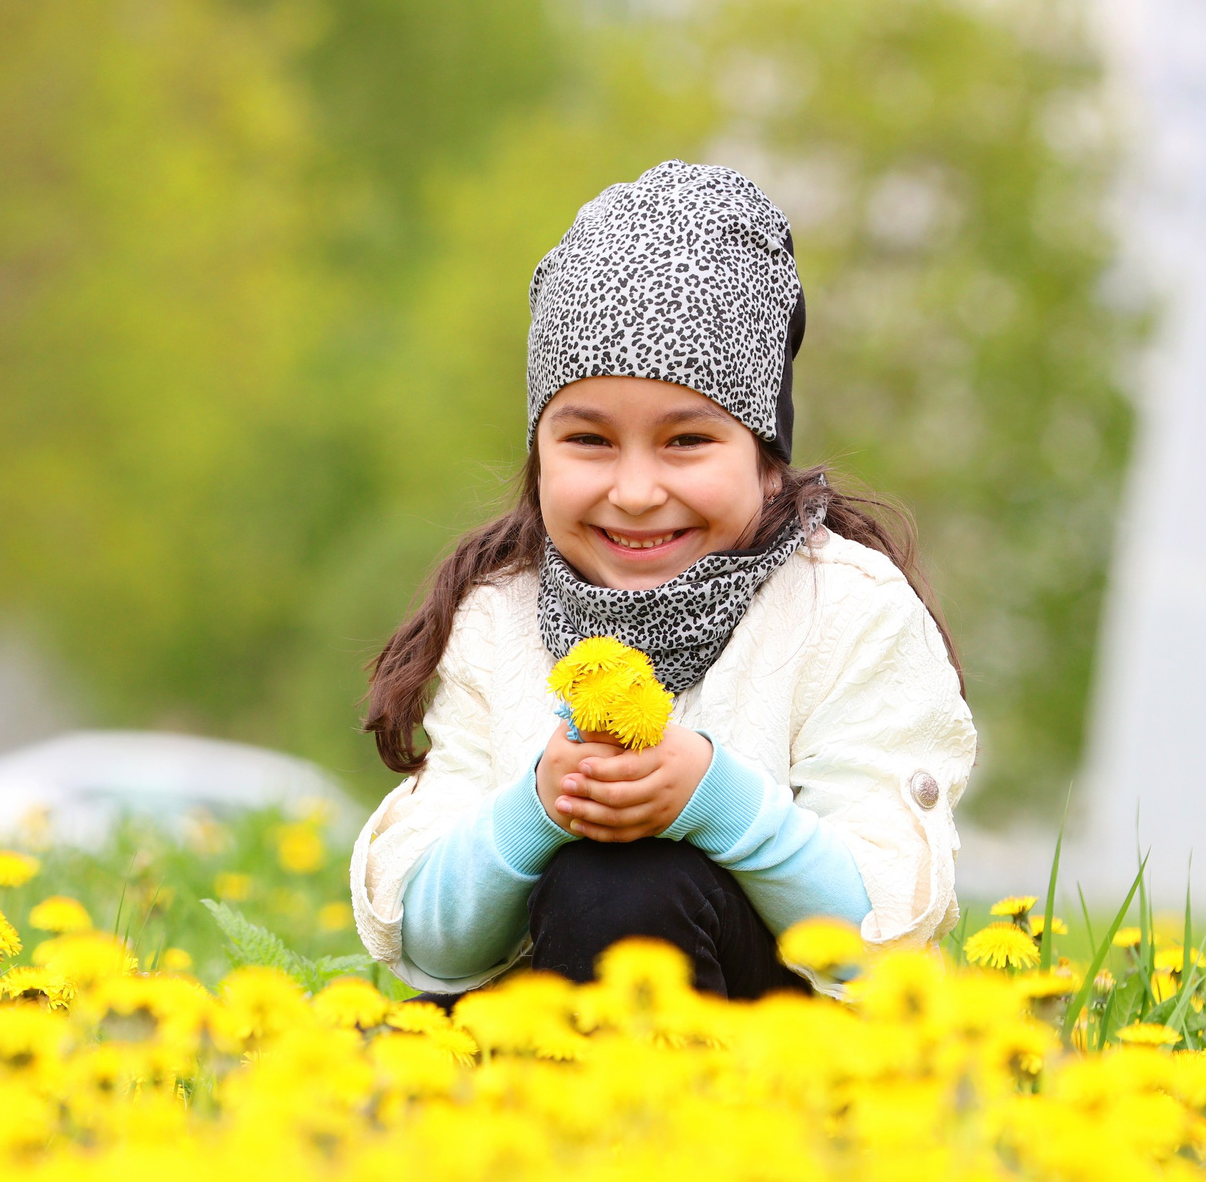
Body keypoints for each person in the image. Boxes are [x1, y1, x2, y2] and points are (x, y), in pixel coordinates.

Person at [351, 161, 973, 1001]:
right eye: (590, 441)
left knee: (630, 881)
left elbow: (879, 945)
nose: (637, 491)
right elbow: (430, 945)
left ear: (766, 462)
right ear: (538, 456)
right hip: (529, 1039)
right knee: (587, 880)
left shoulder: (846, 609)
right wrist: (539, 808)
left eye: (687, 441)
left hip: (773, 1053)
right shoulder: (500, 617)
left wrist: (717, 804)